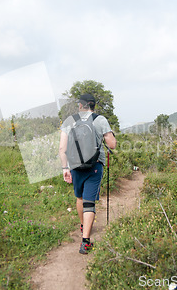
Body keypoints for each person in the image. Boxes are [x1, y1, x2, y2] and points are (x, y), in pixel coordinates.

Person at [59, 93, 117, 254]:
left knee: (79, 198)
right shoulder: (100, 120)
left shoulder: (70, 120)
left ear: (80, 105)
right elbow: (111, 145)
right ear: (93, 105)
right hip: (95, 165)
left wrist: (65, 168)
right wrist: (112, 137)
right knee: (89, 201)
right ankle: (85, 242)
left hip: (75, 165)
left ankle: (84, 225)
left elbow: (62, 148)